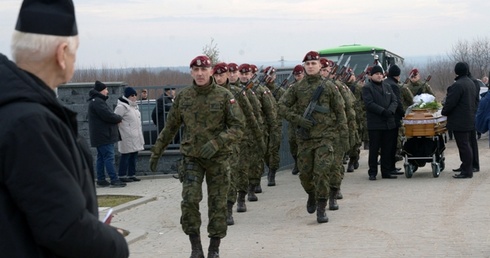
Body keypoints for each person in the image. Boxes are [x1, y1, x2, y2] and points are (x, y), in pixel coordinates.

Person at [0, 0, 129, 257]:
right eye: (75, 50)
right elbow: (65, 229)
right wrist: (115, 244)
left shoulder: (16, 109)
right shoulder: (31, 124)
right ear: (62, 53)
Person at [149, 55, 244, 258]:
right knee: (190, 200)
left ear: (211, 71)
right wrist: (156, 151)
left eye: (204, 70)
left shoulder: (225, 96)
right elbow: (170, 127)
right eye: (196, 70)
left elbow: (238, 127)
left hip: (218, 159)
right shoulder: (184, 97)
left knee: (217, 203)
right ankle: (196, 247)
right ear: (191, 72)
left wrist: (217, 142)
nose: (200, 74)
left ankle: (214, 248)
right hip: (192, 158)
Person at [279, 51, 348, 223]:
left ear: (320, 66)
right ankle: (311, 194)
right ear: (304, 67)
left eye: (313, 64)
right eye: (307, 64)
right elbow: (281, 106)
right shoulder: (297, 88)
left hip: (326, 138)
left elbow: (340, 112)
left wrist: (344, 138)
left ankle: (322, 208)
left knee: (322, 172)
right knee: (306, 176)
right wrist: (298, 120)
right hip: (305, 139)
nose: (310, 67)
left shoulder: (329, 86)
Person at [362, 65, 399, 180]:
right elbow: (369, 103)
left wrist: (391, 111)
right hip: (375, 124)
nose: (379, 75)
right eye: (376, 74)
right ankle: (372, 172)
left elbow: (394, 100)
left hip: (389, 123)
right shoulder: (367, 88)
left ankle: (386, 171)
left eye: (380, 73)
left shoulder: (387, 86)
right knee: (374, 149)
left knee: (387, 149)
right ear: (371, 76)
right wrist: (383, 111)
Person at [442, 62, 477, 179]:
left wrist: (444, 112)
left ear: (457, 71)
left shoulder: (458, 85)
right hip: (469, 118)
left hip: (460, 120)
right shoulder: (470, 83)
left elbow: (451, 102)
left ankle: (467, 171)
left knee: (464, 145)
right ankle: (466, 166)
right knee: (466, 144)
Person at [88, 81, 126, 187]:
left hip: (100, 136)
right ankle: (114, 179)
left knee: (101, 157)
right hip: (104, 135)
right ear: (101, 91)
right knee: (109, 157)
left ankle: (101, 179)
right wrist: (119, 118)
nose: (107, 91)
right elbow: (108, 116)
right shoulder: (98, 102)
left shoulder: (96, 101)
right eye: (105, 89)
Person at [451, 63, 480, 173]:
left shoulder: (472, 82)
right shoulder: (470, 81)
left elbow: (474, 99)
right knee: (468, 142)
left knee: (470, 142)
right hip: (470, 114)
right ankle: (467, 164)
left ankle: (473, 165)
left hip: (469, 115)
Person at [115, 87, 145, 182]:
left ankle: (131, 174)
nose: (134, 97)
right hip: (126, 135)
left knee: (134, 155)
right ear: (127, 96)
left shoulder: (134, 107)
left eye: (135, 95)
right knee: (126, 155)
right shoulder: (121, 107)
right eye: (132, 95)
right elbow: (115, 119)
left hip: (135, 135)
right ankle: (122, 175)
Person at [384, 65, 406, 168]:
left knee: (387, 144)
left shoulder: (384, 83)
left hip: (385, 118)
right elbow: (397, 102)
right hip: (394, 118)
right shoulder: (394, 85)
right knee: (392, 145)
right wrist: (404, 114)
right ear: (397, 75)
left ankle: (389, 166)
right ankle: (391, 167)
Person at [288, 64, 305, 175]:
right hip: (293, 120)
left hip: (304, 119)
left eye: (300, 74)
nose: (298, 76)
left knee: (303, 143)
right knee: (292, 142)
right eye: (296, 75)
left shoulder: (307, 86)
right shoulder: (292, 87)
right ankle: (296, 162)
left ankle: (303, 164)